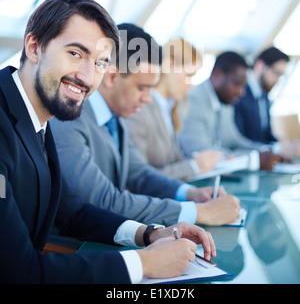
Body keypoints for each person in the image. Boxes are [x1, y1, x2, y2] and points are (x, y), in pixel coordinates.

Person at [0, 0, 216, 284]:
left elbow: (69, 208)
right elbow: (19, 270)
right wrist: (143, 263)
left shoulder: (38, 114)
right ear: (35, 47)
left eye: (100, 63)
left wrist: (148, 233)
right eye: (75, 54)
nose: (88, 77)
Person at [50, 24, 241, 228]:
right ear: (112, 77)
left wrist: (190, 193)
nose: (148, 98)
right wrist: (198, 212)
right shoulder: (68, 118)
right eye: (142, 88)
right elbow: (105, 200)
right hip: (73, 247)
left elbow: (139, 173)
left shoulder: (116, 116)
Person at [126, 37, 222, 180]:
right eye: (188, 76)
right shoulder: (140, 108)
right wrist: (194, 166)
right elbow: (139, 178)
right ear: (169, 65)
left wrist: (212, 161)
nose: (191, 85)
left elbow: (172, 161)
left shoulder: (169, 108)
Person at [179, 51, 288, 171]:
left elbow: (233, 141)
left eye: (243, 86)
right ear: (218, 74)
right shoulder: (192, 100)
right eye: (237, 84)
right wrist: (253, 159)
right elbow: (201, 152)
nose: (241, 92)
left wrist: (267, 151)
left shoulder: (225, 101)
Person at [234, 47, 300, 158]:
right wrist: (275, 148)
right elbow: (239, 140)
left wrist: (281, 143)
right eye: (276, 73)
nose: (278, 80)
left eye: (281, 76)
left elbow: (265, 135)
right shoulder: (238, 93)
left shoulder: (264, 95)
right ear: (260, 66)